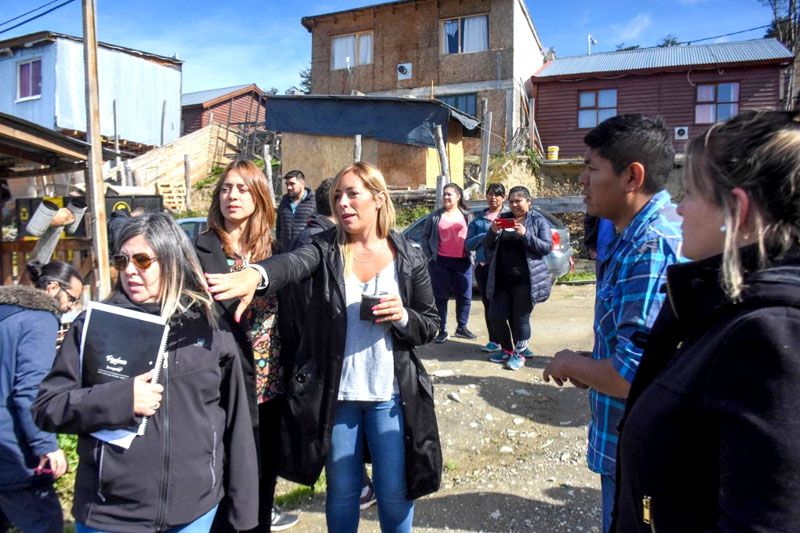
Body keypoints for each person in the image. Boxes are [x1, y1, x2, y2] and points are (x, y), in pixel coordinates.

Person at [205, 162, 442, 533]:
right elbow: (291, 263)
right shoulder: (325, 249)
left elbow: (430, 324)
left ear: (379, 198)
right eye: (337, 196)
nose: (342, 203)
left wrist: (402, 317)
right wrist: (257, 274)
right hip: (339, 397)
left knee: (395, 494)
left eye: (352, 194)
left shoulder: (408, 256)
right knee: (343, 494)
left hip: (390, 396)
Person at [613, 110, 800, 531]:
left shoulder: (771, 335)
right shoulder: (727, 305)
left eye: (691, 193)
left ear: (736, 211)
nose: (678, 209)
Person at [32, 213, 258, 532]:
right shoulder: (94, 327)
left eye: (142, 260)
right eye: (122, 260)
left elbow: (236, 423)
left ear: (172, 261)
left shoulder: (209, 330)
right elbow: (48, 407)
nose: (129, 270)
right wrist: (121, 400)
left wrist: (244, 512)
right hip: (111, 515)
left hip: (194, 513)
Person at [542, 114, 682, 533]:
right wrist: (591, 363)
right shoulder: (629, 235)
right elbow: (637, 345)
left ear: (632, 177)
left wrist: (570, 362)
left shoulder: (651, 247)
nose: (581, 180)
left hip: (642, 450)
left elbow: (630, 375)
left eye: (591, 167)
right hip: (626, 443)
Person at [193, 160, 299, 532]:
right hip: (222, 391)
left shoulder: (276, 251)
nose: (232, 196)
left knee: (262, 485)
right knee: (222, 488)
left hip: (270, 390)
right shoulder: (199, 251)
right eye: (225, 188)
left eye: (242, 188)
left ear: (259, 197)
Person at [0, 260, 83, 533]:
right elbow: (29, 390)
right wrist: (46, 445)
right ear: (52, 288)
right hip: (13, 449)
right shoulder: (40, 319)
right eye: (72, 298)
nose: (71, 307)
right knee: (45, 524)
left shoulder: (7, 314)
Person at [483, 186, 553, 371]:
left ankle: (520, 354)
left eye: (518, 201)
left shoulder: (538, 220)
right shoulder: (504, 218)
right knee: (495, 315)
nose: (514, 204)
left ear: (529, 202)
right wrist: (492, 231)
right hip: (501, 279)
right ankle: (507, 350)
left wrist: (525, 234)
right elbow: (487, 245)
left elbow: (546, 247)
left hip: (525, 280)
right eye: (511, 201)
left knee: (520, 318)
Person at [421, 183, 476, 343]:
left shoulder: (467, 216)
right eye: (444, 194)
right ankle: (442, 330)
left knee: (465, 297)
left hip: (463, 261)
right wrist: (430, 255)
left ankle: (462, 327)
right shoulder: (435, 216)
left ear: (458, 196)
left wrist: (474, 254)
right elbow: (425, 237)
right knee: (440, 298)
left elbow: (473, 237)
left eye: (449, 194)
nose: (445, 197)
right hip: (440, 262)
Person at [465, 182, 508, 354]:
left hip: (504, 267)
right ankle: (494, 340)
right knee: (488, 305)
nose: (493, 197)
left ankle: (513, 343)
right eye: (490, 194)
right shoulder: (478, 220)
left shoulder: (509, 216)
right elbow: (468, 244)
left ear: (503, 198)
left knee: (507, 304)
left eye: (497, 194)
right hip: (484, 267)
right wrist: (486, 234)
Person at [276, 170, 316, 251]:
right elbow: (279, 227)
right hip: (285, 253)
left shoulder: (314, 202)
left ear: (302, 183)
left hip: (305, 252)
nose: (289, 187)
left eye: (292, 184)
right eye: (287, 184)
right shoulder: (284, 202)